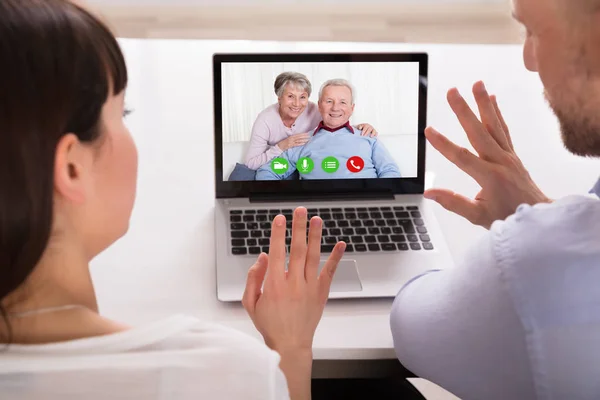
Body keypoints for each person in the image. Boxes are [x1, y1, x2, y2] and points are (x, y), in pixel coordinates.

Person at [0, 1, 346, 399]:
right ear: (73, 168)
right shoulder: (224, 371)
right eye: (122, 113)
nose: (299, 102)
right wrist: (292, 347)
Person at [390, 0, 600, 399]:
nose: (529, 61)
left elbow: (410, 322)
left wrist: (539, 232)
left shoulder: (539, 267)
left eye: (534, 33)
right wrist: (545, 213)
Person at [256, 79, 401, 180]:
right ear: (319, 106)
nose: (335, 108)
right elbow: (267, 172)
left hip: (365, 206)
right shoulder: (302, 141)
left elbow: (390, 172)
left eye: (343, 102)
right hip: (317, 212)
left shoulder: (368, 137)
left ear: (352, 108)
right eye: (329, 101)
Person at [244, 71, 379, 169]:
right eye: (290, 96)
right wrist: (281, 146)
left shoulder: (315, 110)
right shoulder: (265, 120)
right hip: (282, 164)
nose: (297, 104)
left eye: (302, 97)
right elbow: (250, 164)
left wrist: (360, 127)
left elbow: (337, 122)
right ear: (279, 98)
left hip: (306, 165)